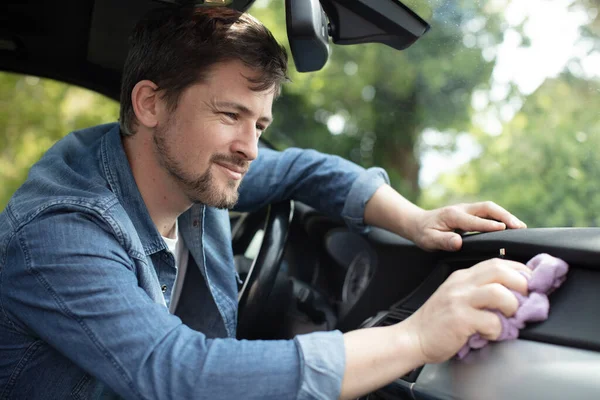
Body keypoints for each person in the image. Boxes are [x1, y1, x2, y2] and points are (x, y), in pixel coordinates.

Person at [0, 5, 530, 400]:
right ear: (150, 103)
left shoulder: (190, 171)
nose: (250, 149)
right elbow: (177, 374)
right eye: (230, 116)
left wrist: (416, 220)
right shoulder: (61, 230)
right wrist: (416, 338)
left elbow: (303, 168)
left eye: (260, 125)